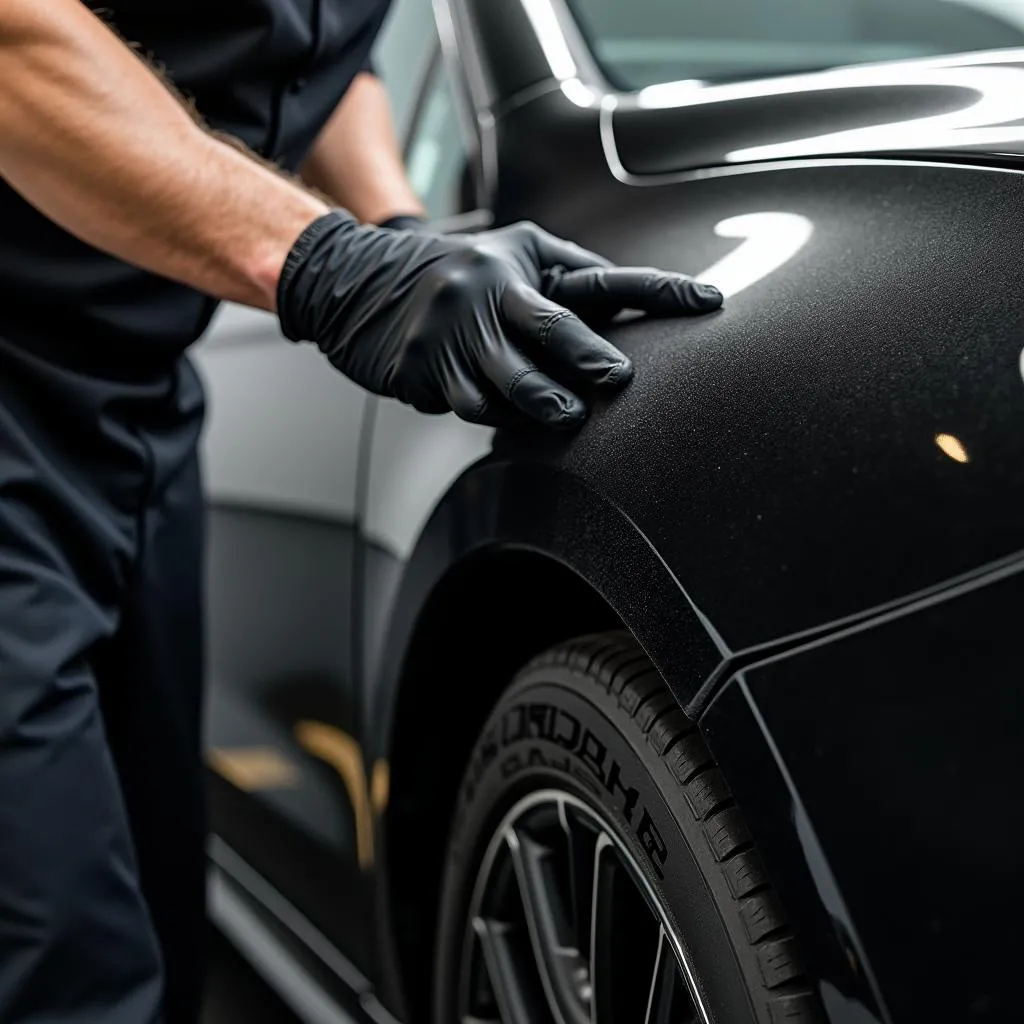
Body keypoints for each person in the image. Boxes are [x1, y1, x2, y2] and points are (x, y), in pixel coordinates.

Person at [0, 1, 723, 1021]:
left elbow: (317, 62)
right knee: (61, 955)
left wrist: (400, 227)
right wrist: (330, 264)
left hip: (139, 406)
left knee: (162, 922)